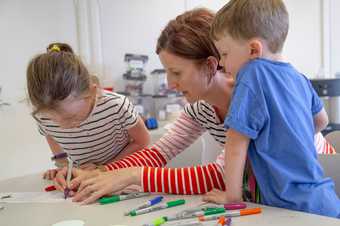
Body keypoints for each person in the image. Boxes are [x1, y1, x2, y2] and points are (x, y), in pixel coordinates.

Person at [54, 8, 336, 206]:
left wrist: (132, 176)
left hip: (317, 184)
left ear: (212, 65)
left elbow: (222, 174)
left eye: (176, 73)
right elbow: (159, 153)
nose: (170, 83)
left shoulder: (256, 95)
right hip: (273, 197)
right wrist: (102, 173)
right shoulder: (202, 108)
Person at [203, 0, 340, 218]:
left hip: (291, 208)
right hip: (324, 202)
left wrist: (231, 197)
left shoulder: (251, 74)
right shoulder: (299, 77)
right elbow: (321, 121)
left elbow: (235, 144)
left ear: (253, 49)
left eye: (225, 54)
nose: (222, 63)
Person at [26, 43, 150, 180]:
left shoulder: (116, 106)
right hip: (88, 176)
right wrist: (64, 166)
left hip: (124, 172)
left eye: (72, 117)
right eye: (54, 119)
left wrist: (104, 168)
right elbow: (50, 135)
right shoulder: (42, 115)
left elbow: (142, 141)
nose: (63, 126)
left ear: (91, 93)